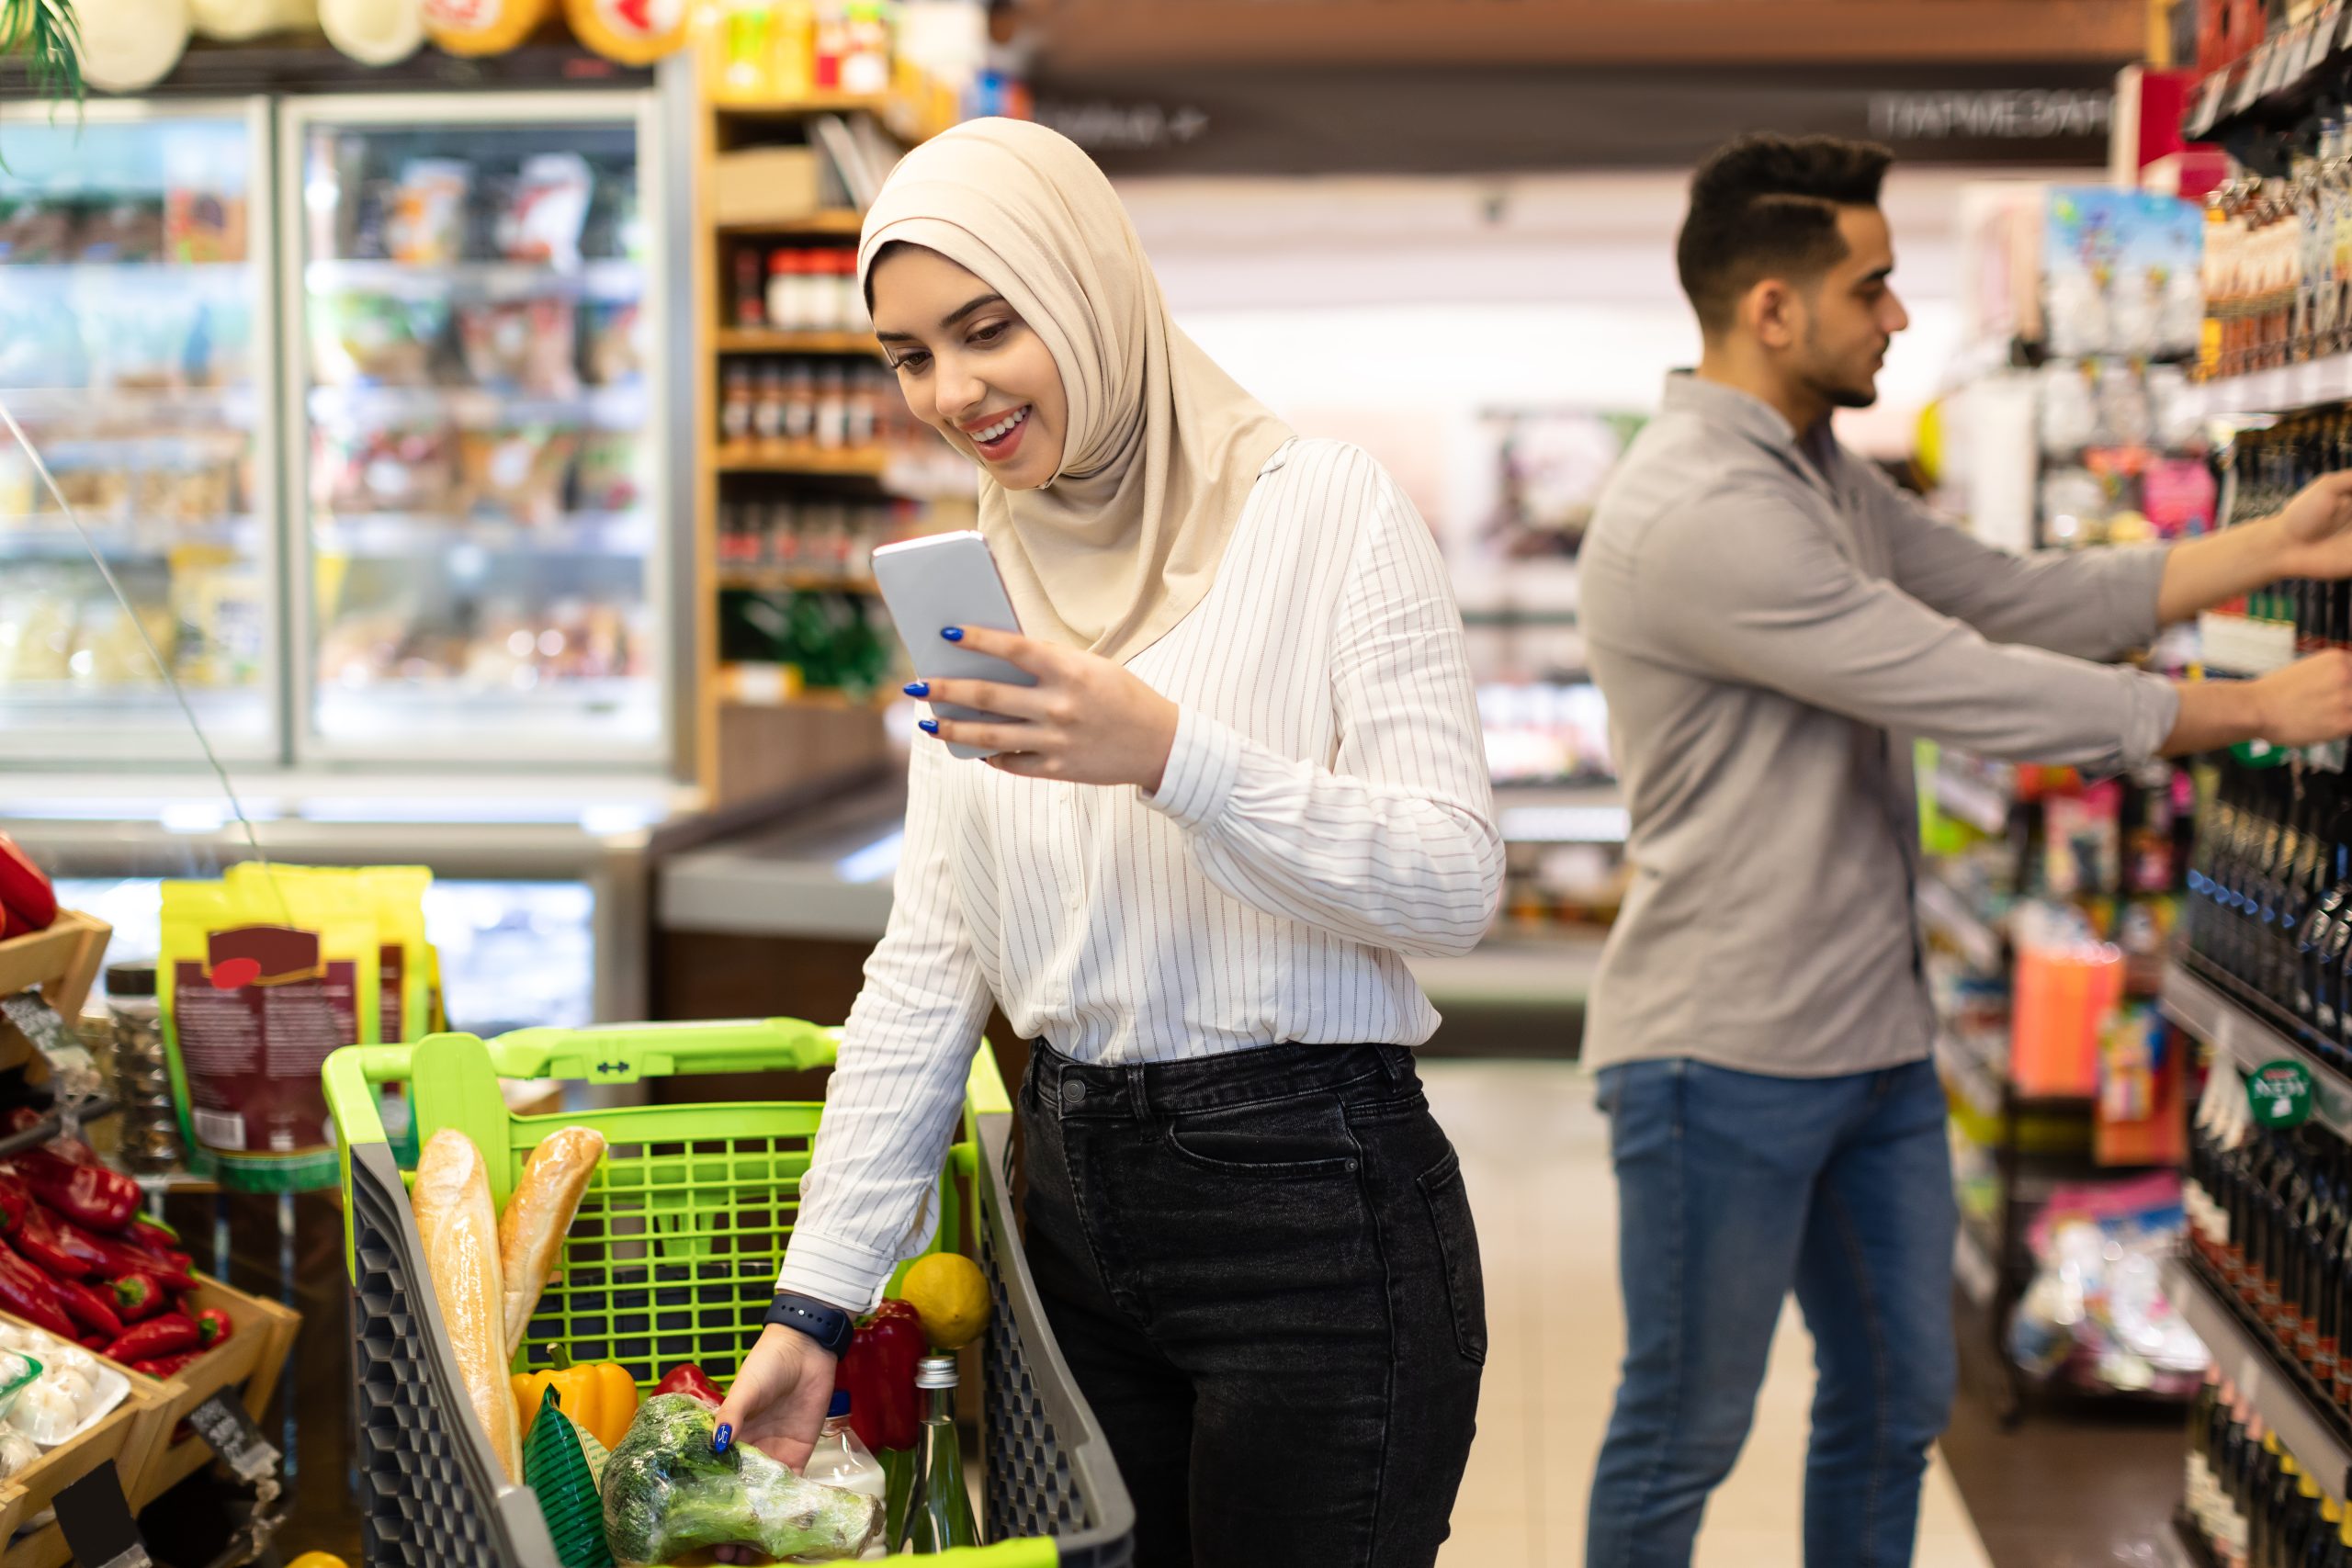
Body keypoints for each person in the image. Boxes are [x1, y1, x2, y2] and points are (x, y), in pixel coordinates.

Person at [710, 118, 1498, 1568]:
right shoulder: (988, 580)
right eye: (909, 354)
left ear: (1088, 288)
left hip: (1312, 1218)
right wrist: (814, 1306)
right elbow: (930, 967)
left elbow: (1454, 879)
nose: (953, 392)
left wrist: (1171, 756)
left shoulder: (1325, 512)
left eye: (988, 328)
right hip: (1064, 1214)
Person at [1579, 132, 2352, 1568]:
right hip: (1720, 1052)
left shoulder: (1816, 472)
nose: (1901, 315)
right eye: (1872, 285)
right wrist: (2247, 705)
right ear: (1772, 310)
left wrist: (2264, 549)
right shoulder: (1702, 511)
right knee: (1684, 1425)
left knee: (1894, 1404)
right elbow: (1960, 678)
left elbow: (2006, 596)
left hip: (1868, 1041)